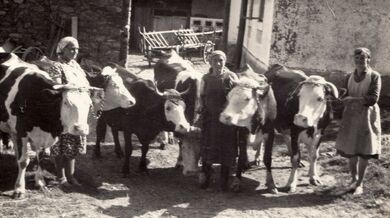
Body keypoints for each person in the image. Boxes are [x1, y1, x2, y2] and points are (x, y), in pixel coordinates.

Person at [336, 47, 382, 195]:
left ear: (368, 59)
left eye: (363, 58)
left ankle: (360, 184)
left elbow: (373, 99)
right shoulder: (348, 76)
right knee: (351, 149)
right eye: (357, 58)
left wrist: (352, 99)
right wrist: (340, 97)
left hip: (367, 116)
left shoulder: (374, 76)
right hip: (350, 116)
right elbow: (343, 94)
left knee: (363, 150)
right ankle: (353, 179)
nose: (360, 61)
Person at [48, 36, 90, 187]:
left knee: (74, 141)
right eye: (71, 48)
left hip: (78, 109)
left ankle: (71, 176)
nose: (74, 52)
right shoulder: (56, 66)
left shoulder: (76, 66)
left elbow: (85, 83)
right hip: (63, 109)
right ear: (62, 49)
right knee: (61, 143)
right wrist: (72, 86)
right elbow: (56, 86)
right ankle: (61, 177)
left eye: (76, 49)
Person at [198, 50, 239, 191]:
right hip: (210, 119)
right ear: (210, 62)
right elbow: (201, 96)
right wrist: (201, 107)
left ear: (225, 61)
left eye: (221, 60)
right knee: (208, 146)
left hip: (227, 121)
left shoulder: (231, 77)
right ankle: (206, 176)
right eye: (215, 60)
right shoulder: (205, 78)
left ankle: (224, 179)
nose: (218, 63)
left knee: (227, 149)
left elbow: (238, 96)